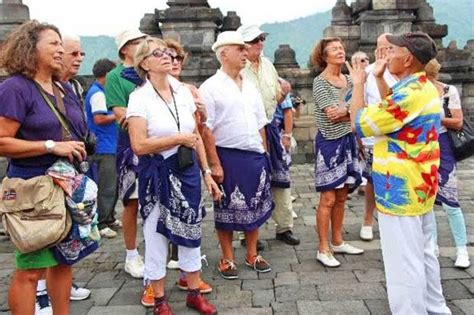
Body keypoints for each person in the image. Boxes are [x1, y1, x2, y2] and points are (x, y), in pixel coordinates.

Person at [348, 31, 451, 314]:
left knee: (403, 261)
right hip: (422, 182)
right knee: (425, 251)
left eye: (392, 51)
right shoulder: (424, 87)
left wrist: (359, 84)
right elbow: (394, 109)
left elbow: (360, 123)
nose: (386, 55)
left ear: (407, 58)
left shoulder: (409, 95)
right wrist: (380, 78)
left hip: (400, 188)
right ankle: (435, 307)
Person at [0, 20, 88, 315]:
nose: (61, 50)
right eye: (53, 43)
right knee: (31, 270)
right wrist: (50, 146)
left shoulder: (63, 87)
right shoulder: (16, 88)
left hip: (67, 187)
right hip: (34, 191)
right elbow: (1, 141)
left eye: (61, 44)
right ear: (30, 48)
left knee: (63, 262)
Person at [127, 37, 219, 315]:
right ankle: (159, 300)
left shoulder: (183, 93)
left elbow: (197, 137)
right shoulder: (139, 98)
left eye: (168, 53)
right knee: (156, 235)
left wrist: (207, 172)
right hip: (158, 173)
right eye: (159, 53)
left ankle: (193, 291)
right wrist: (176, 138)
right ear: (145, 63)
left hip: (188, 170)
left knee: (191, 230)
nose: (167, 57)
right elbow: (139, 145)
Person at [200, 31, 274, 279]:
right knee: (226, 209)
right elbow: (206, 128)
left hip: (254, 153)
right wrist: (214, 163)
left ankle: (252, 253)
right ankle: (227, 258)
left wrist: (264, 152)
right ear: (223, 54)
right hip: (227, 154)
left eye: (245, 49)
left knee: (254, 205)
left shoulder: (250, 86)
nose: (245, 53)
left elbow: (260, 122)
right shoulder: (210, 87)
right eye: (239, 49)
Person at [239, 24, 300, 246]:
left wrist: (283, 94)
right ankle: (248, 231)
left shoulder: (268, 66)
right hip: (248, 131)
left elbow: (277, 99)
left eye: (261, 39)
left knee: (281, 179)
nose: (260, 44)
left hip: (271, 128)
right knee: (251, 182)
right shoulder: (239, 69)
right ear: (243, 46)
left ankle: (284, 226)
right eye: (255, 40)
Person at [104, 29, 153, 306]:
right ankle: (132, 254)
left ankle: (161, 251)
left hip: (158, 144)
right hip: (131, 145)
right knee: (132, 202)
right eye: (136, 42)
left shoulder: (151, 72)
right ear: (125, 49)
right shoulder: (115, 77)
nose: (141, 45)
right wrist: (144, 119)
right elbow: (119, 113)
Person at [163, 38, 213, 294]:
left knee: (191, 216)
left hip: (188, 159)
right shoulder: (147, 92)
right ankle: (153, 283)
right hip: (160, 162)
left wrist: (207, 170)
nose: (173, 62)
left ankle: (187, 274)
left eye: (177, 58)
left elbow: (199, 132)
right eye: (167, 57)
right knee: (158, 224)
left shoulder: (190, 90)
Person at [310, 37, 364, 268]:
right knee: (328, 197)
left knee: (343, 195)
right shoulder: (320, 82)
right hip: (330, 142)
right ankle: (323, 247)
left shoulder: (351, 79)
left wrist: (350, 112)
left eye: (341, 47)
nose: (340, 51)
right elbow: (332, 115)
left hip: (349, 140)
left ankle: (338, 240)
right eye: (334, 49)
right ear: (324, 56)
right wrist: (352, 112)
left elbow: (363, 110)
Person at [425, 59, 471, 268]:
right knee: (427, 200)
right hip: (422, 145)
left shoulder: (447, 91)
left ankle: (461, 249)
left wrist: (435, 119)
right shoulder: (413, 92)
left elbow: (458, 121)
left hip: (442, 143)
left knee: (450, 199)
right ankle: (432, 245)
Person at [358, 33, 399, 241]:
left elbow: (396, 105)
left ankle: (390, 219)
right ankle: (367, 219)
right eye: (381, 47)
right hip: (374, 137)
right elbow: (360, 105)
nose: (385, 52)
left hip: (399, 137)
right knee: (373, 181)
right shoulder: (367, 73)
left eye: (389, 47)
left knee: (395, 179)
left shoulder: (400, 72)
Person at [85, 58, 120, 239]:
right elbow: (99, 118)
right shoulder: (98, 94)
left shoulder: (101, 91)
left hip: (108, 144)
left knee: (110, 184)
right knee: (106, 185)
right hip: (103, 146)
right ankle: (102, 221)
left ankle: (109, 217)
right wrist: (119, 114)